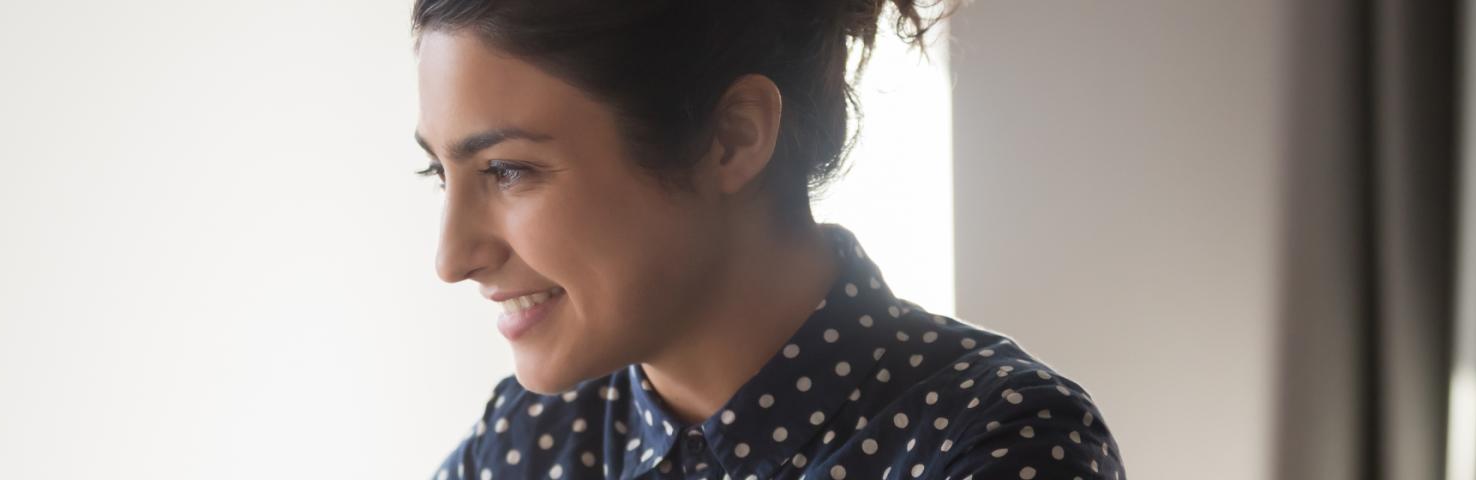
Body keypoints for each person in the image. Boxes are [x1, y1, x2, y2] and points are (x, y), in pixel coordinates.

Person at [410, 0, 1125, 478]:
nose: (452, 258)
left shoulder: (998, 441)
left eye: (508, 170)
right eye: (440, 171)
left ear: (732, 137)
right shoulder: (529, 440)